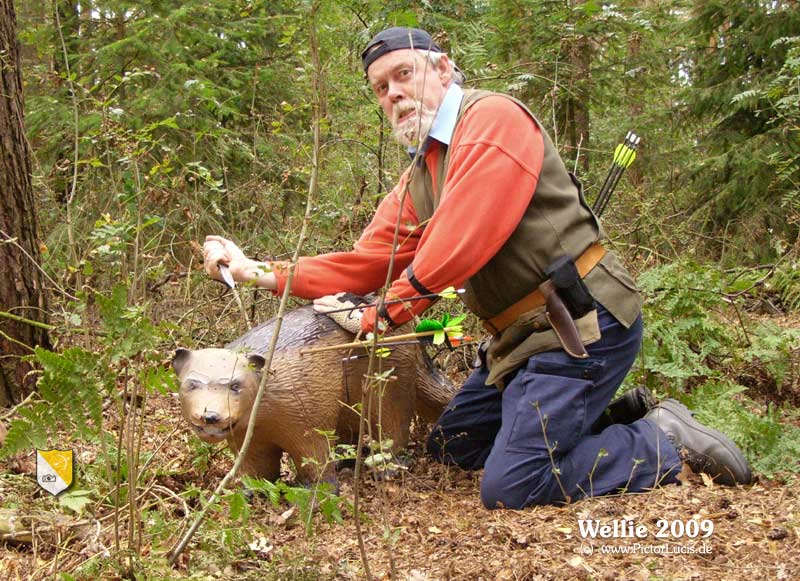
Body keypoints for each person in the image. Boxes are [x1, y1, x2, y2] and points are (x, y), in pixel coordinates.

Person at [203, 27, 752, 508]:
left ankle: (662, 440)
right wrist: (257, 271)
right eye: (381, 88)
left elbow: (464, 235)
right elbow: (371, 258)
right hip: (521, 341)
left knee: (513, 484)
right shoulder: (423, 171)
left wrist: (392, 310)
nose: (394, 94)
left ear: (442, 69)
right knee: (453, 446)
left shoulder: (492, 118)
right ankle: (614, 415)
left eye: (403, 74)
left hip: (584, 327)